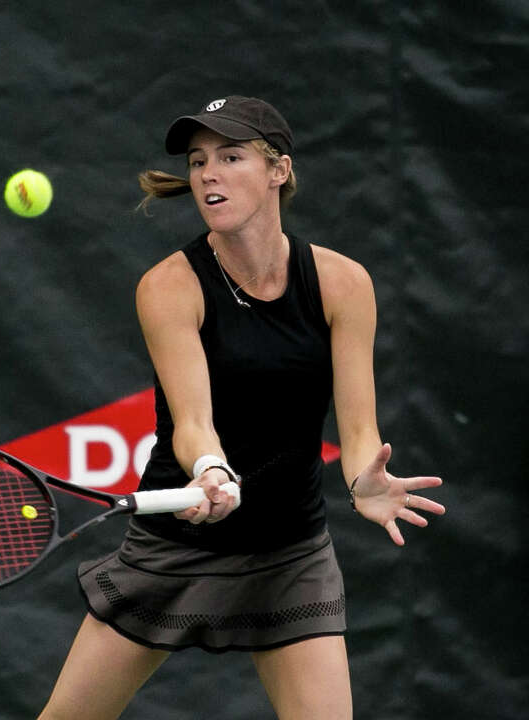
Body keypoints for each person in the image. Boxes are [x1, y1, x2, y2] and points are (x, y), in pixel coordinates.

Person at [36, 95, 446, 720]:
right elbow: (193, 422)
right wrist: (211, 469)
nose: (208, 174)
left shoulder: (343, 283)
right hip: (176, 545)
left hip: (290, 549)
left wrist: (363, 481)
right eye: (198, 161)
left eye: (230, 157)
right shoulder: (168, 286)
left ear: (278, 170)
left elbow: (360, 429)